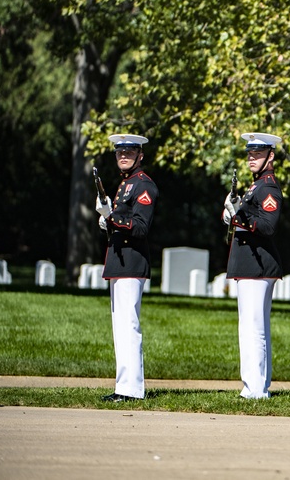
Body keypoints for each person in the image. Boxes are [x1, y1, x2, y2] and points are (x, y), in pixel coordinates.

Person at [95, 133, 158, 403]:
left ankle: (132, 389)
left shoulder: (143, 185)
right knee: (120, 327)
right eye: (120, 152)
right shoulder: (126, 185)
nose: (123, 155)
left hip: (132, 262)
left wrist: (113, 218)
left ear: (140, 155)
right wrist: (109, 221)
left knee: (128, 325)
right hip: (120, 262)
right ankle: (124, 385)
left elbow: (140, 227)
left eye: (129, 152)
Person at [223, 132, 283, 399]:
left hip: (257, 266)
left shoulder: (268, 187)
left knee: (253, 328)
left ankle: (256, 388)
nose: (251, 158)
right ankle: (255, 385)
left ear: (270, 157)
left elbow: (267, 226)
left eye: (257, 154)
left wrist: (239, 216)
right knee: (250, 327)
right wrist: (232, 214)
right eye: (250, 154)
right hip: (250, 265)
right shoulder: (255, 186)